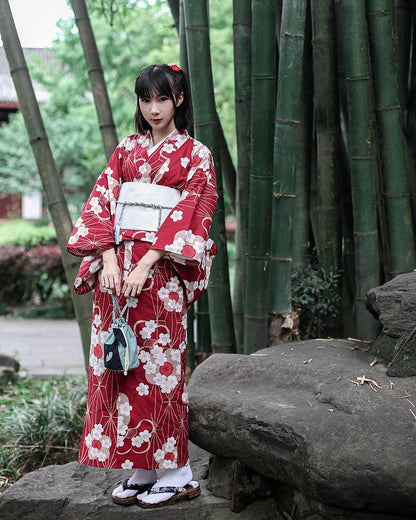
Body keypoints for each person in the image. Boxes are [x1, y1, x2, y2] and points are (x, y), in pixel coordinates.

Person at [67, 63, 218, 508]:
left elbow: (192, 212)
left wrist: (147, 261)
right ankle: (143, 467)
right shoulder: (126, 150)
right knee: (121, 365)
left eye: (163, 99)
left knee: (160, 369)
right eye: (146, 100)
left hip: (161, 276)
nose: (154, 109)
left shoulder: (196, 155)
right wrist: (109, 259)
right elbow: (103, 203)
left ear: (179, 100)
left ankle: (178, 470)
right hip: (115, 278)